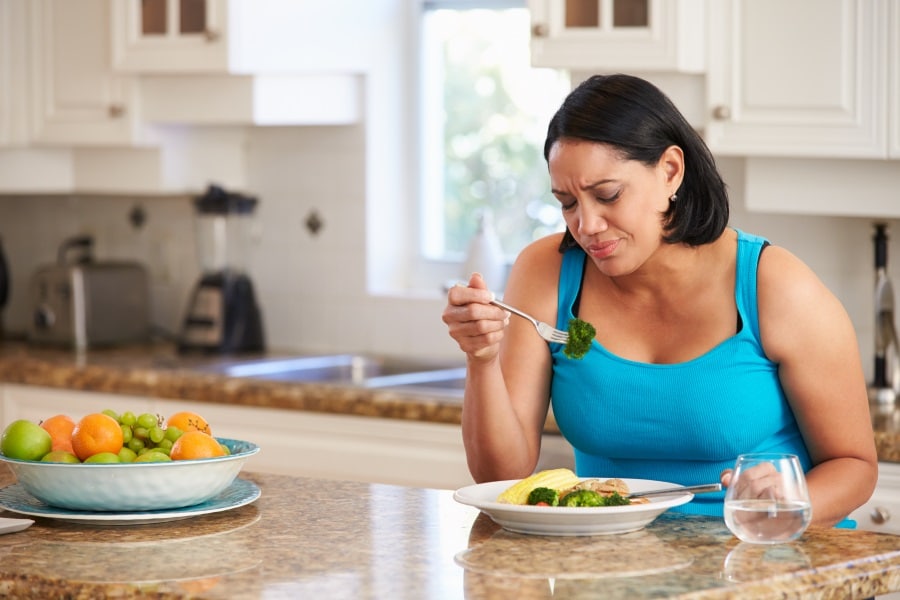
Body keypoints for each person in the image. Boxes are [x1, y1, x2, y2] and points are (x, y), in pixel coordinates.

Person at [441, 73, 877, 526]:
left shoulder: (774, 285)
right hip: (610, 571)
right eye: (567, 202)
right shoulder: (547, 272)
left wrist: (787, 502)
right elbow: (501, 475)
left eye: (607, 195)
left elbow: (856, 468)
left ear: (670, 171)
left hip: (762, 558)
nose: (585, 224)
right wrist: (482, 358)